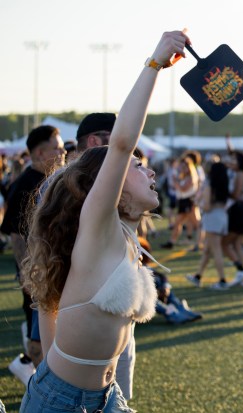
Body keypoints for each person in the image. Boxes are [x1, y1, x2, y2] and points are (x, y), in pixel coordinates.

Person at [19, 29, 189, 412]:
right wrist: (155, 64)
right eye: (138, 167)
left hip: (106, 398)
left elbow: (51, 303)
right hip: (62, 401)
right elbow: (124, 142)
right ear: (109, 188)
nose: (150, 172)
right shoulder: (100, 228)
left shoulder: (125, 235)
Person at [2, 125, 66, 386]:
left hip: (55, 273)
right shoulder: (24, 186)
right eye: (57, 147)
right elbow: (16, 235)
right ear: (40, 153)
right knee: (40, 339)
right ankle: (42, 387)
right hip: (38, 278)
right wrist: (28, 277)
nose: (63, 151)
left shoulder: (56, 180)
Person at [186, 162, 233, 289]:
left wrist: (197, 203)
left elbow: (206, 207)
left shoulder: (210, 185)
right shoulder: (225, 185)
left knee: (216, 250)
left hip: (212, 218)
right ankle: (198, 277)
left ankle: (222, 280)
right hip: (222, 216)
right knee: (207, 250)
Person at [222, 142, 243, 287]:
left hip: (238, 210)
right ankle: (242, 277)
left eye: (234, 160)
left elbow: (235, 194)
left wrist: (222, 191)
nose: (231, 162)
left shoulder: (240, 175)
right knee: (237, 244)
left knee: (224, 244)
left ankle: (241, 270)